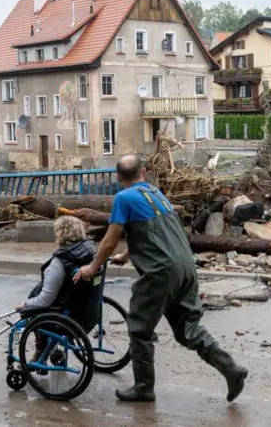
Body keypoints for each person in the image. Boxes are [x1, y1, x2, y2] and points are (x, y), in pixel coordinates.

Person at [75, 155, 248, 403]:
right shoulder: (155, 193)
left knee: (139, 328)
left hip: (160, 272)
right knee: (188, 329)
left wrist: (93, 267)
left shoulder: (123, 198)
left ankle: (144, 387)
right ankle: (232, 370)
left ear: (117, 177)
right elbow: (155, 233)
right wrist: (127, 254)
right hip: (185, 266)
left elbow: (110, 239)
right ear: (143, 172)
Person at [17, 216, 101, 365]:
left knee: (30, 313)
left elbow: (45, 300)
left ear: (60, 234)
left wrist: (26, 304)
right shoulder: (90, 253)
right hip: (88, 313)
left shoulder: (59, 263)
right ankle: (53, 348)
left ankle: (40, 353)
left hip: (65, 317)